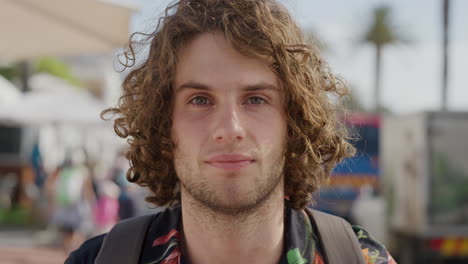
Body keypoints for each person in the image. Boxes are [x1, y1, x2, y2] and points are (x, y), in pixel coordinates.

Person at [66, 0, 397, 263]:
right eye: (199, 100)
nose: (229, 129)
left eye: (255, 99)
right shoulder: (98, 260)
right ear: (165, 126)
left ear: (293, 123)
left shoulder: (362, 260)